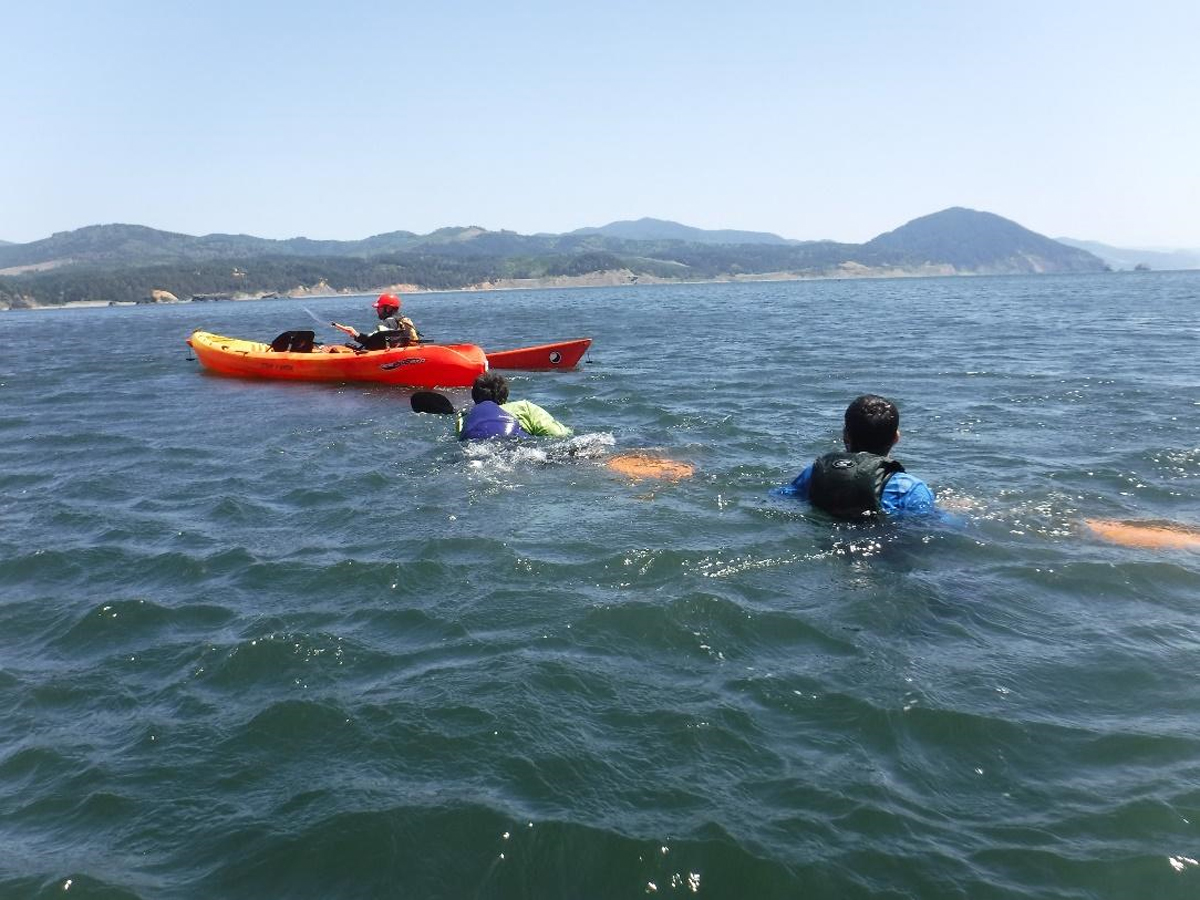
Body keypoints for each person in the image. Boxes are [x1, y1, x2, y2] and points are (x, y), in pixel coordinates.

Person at [775, 394, 936, 518]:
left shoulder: (814, 474)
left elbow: (781, 498)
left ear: (846, 435)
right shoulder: (909, 489)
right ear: (896, 438)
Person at [456, 372, 572, 441]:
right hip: (518, 449)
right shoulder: (524, 407)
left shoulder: (464, 419)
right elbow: (558, 434)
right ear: (505, 396)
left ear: (475, 398)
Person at [332, 293, 419, 347]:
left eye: (379, 308)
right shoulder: (403, 319)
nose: (377, 310)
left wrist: (355, 334)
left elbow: (370, 341)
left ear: (388, 308)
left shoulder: (388, 322)